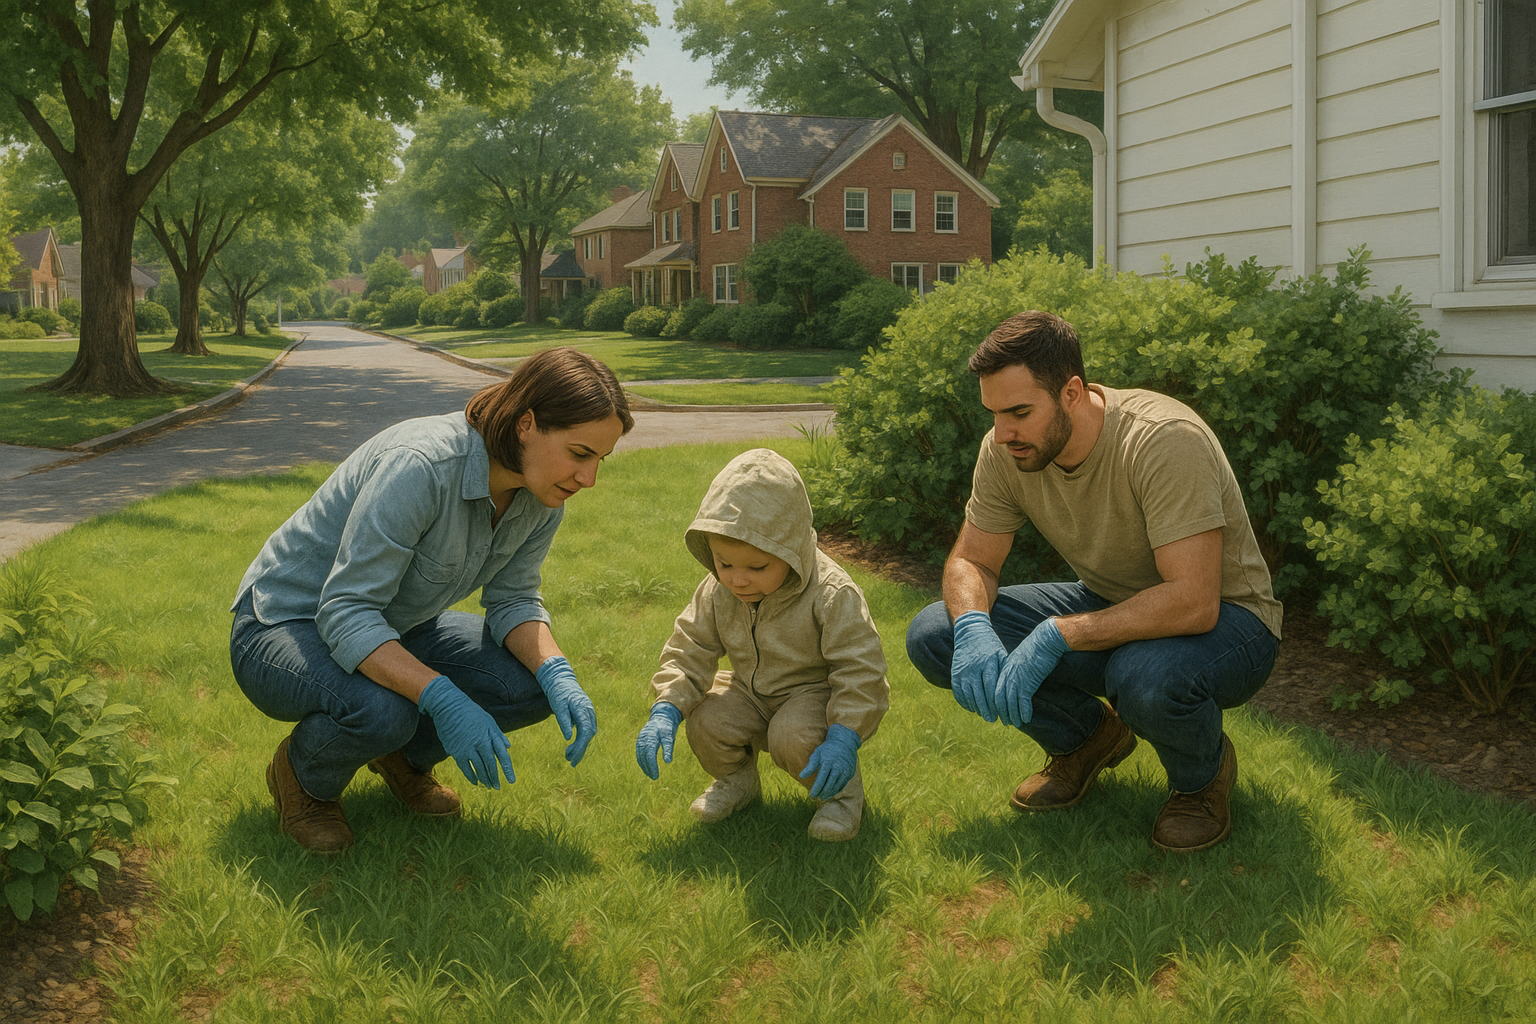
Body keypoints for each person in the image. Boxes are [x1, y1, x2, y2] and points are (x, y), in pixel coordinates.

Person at [229, 346, 633, 854]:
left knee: (529, 685)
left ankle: (400, 759)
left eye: (600, 459)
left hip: (393, 626)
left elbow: (514, 598)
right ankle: (304, 780)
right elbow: (346, 611)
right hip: (285, 625)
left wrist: (559, 673)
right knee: (385, 710)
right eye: (579, 453)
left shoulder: (542, 495)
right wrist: (442, 697)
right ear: (526, 423)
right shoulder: (421, 465)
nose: (588, 479)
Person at [905, 311, 1282, 853]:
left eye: (1019, 412)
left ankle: (1201, 780)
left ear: (1073, 392)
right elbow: (974, 560)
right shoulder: (1004, 449)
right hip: (1115, 603)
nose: (1003, 432)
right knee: (935, 633)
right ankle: (1087, 739)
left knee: (1141, 675)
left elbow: (1194, 602)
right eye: (993, 414)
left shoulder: (1162, 441)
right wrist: (972, 627)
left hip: (1231, 622)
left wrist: (1061, 634)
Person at [633, 448, 888, 842]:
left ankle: (841, 799)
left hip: (810, 695)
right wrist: (666, 708)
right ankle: (738, 783)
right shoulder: (718, 590)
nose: (738, 580)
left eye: (756, 567)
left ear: (792, 552)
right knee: (706, 718)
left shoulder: (832, 593)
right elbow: (691, 645)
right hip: (749, 689)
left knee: (793, 737)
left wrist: (844, 734)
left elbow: (861, 668)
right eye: (724, 563)